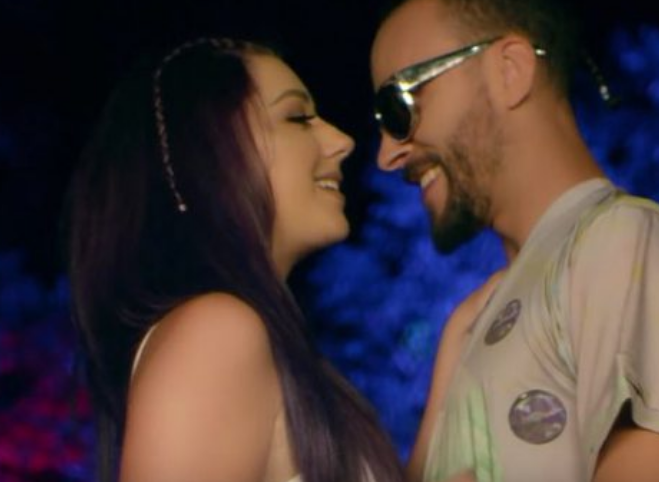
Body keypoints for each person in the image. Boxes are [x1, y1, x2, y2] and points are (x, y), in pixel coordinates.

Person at [369, 1, 659, 481]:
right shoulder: (472, 321)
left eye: (398, 107)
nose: (387, 154)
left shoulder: (621, 239)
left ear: (510, 70)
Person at [66, 38, 406, 482]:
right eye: (297, 117)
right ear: (208, 151)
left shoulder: (248, 340)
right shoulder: (215, 332)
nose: (341, 141)